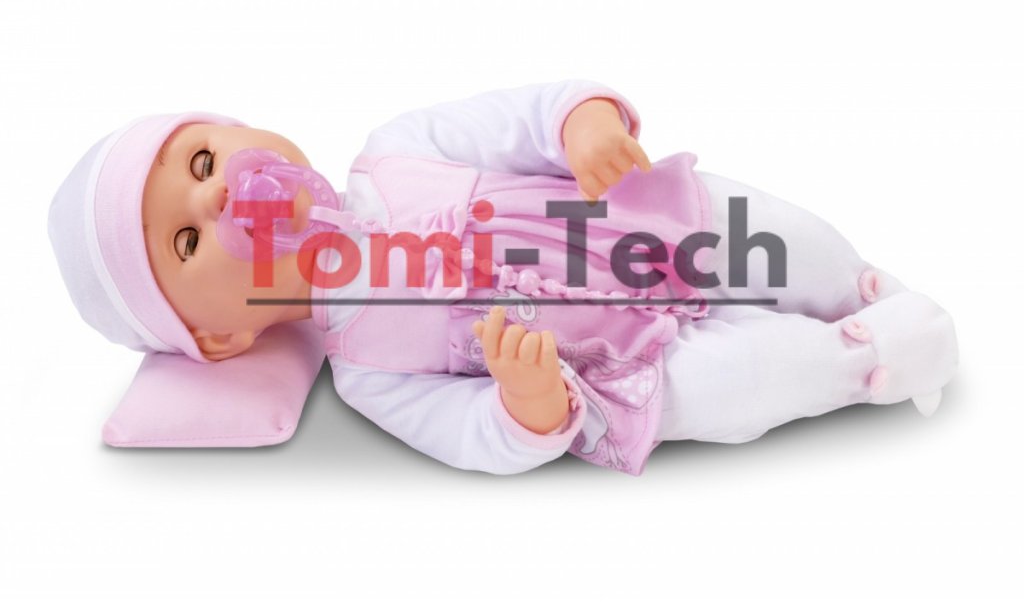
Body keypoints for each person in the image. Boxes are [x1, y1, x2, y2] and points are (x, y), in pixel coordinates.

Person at [47, 79, 959, 475]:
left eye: (203, 161)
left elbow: (524, 115)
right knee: (729, 390)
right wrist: (527, 411)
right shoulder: (369, 375)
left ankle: (858, 285)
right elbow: (471, 435)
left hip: (640, 229)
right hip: (617, 370)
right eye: (185, 241)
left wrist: (584, 126)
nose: (218, 197)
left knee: (761, 231)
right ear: (223, 337)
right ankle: (867, 362)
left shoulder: (396, 150)